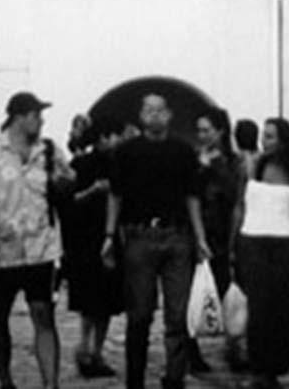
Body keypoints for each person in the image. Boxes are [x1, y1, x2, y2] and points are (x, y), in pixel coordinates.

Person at [0, 91, 75, 389]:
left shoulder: (49, 152)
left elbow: (68, 183)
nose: (41, 121)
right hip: (1, 250)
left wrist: (64, 184)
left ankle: (50, 383)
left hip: (41, 247)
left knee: (44, 314)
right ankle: (5, 379)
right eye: (36, 115)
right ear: (18, 117)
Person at [100, 93, 212, 389]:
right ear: (141, 115)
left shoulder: (182, 151)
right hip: (140, 237)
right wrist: (109, 235)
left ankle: (174, 377)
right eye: (148, 110)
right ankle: (135, 379)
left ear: (169, 115)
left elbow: (192, 196)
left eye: (160, 110)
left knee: (178, 315)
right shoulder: (126, 152)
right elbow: (115, 195)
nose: (154, 115)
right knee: (139, 314)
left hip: (177, 237)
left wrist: (200, 237)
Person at [231, 117, 289, 389]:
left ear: (283, 140)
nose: (264, 142)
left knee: (281, 307)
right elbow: (240, 205)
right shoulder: (254, 166)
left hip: (281, 243)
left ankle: (276, 365)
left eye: (270, 136)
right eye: (263, 136)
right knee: (258, 307)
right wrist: (233, 241)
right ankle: (259, 368)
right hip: (252, 240)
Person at [64, 117, 124, 378]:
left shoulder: (119, 165)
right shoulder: (81, 165)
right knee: (90, 300)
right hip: (85, 240)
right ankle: (85, 348)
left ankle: (96, 351)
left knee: (107, 300)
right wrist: (94, 190)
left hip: (108, 238)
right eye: (114, 136)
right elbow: (67, 202)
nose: (117, 141)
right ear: (102, 138)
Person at [189, 107, 240, 373]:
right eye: (199, 131)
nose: (202, 135)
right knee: (193, 291)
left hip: (223, 231)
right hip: (198, 232)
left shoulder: (232, 162)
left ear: (220, 131)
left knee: (226, 290)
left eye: (207, 130)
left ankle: (234, 344)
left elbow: (235, 196)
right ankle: (191, 350)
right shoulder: (194, 160)